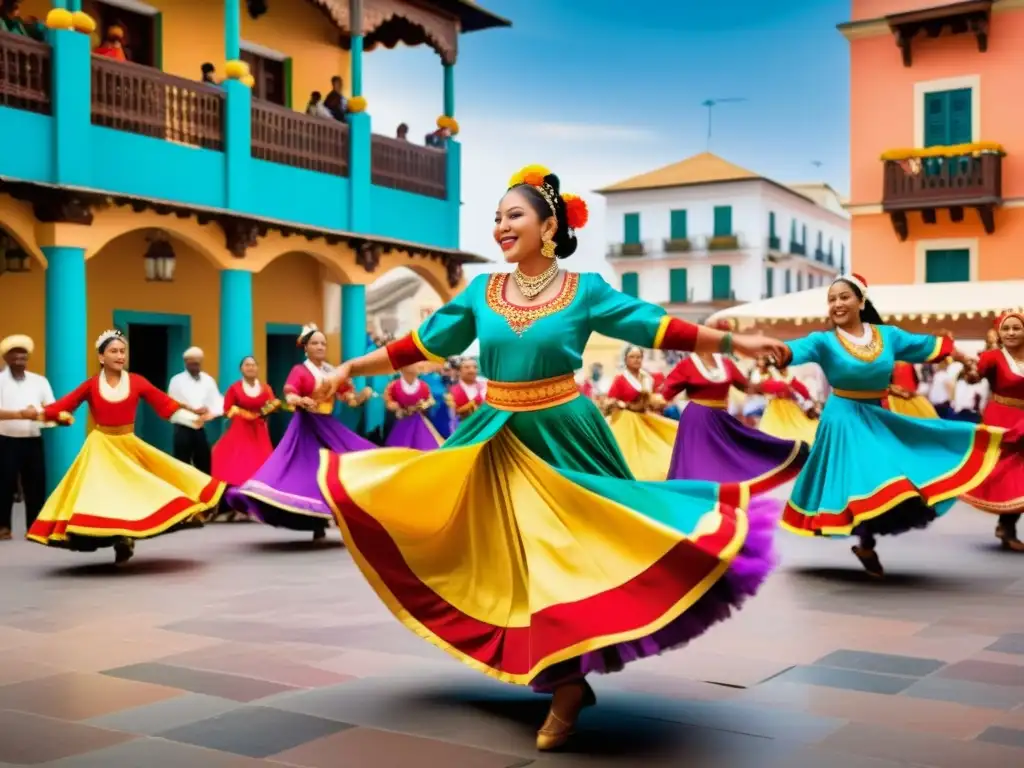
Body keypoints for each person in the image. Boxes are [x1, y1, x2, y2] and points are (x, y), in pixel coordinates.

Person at [316, 164, 788, 752]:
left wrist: (733, 341)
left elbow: (655, 326)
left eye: (513, 216)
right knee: (511, 558)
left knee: (569, 555)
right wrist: (349, 368)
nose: (501, 227)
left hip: (564, 432)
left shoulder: (584, 290)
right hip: (495, 435)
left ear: (548, 225)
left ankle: (566, 685)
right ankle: (564, 677)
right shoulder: (483, 292)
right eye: (495, 218)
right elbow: (421, 344)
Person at [777, 274, 1001, 576]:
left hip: (877, 414)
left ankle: (865, 543)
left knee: (894, 475)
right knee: (867, 478)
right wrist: (775, 351)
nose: (837, 304)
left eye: (844, 297)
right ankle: (865, 541)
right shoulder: (824, 341)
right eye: (832, 299)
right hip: (843, 419)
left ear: (861, 300)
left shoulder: (887, 336)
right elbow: (794, 350)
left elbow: (924, 345)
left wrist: (960, 355)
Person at [25, 330, 223, 565]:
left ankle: (125, 538)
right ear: (101, 357)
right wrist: (38, 413)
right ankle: (117, 538)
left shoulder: (137, 381)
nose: (119, 356)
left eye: (122, 351)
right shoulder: (91, 385)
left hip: (128, 444)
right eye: (113, 351)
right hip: (100, 447)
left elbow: (163, 402)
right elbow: (64, 405)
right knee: (105, 495)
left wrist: (192, 415)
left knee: (132, 492)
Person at [227, 324, 373, 541]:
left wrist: (360, 397)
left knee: (345, 462)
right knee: (308, 471)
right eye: (315, 343)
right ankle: (315, 521)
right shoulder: (299, 371)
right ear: (306, 348)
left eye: (323, 343)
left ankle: (335, 516)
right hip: (307, 425)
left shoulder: (332, 372)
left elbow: (347, 397)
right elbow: (290, 394)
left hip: (327, 425)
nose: (320, 347)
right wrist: (300, 400)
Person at [659, 350, 808, 494]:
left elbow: (746, 387)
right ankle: (697, 497)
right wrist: (650, 400)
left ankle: (720, 493)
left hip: (720, 419)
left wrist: (772, 385)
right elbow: (665, 393)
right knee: (698, 462)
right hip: (696, 421)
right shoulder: (687, 365)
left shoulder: (725, 364)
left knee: (730, 455)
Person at [961, 312, 1024, 551]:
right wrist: (970, 373)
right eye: (1006, 328)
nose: (1010, 333)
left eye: (1016, 328)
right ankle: (1007, 527)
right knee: (1010, 472)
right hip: (1002, 420)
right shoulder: (993, 357)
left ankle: (1006, 525)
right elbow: (975, 377)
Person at [210, 356, 278, 520]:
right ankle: (234, 506)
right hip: (240, 430)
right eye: (247, 365)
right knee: (236, 466)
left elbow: (273, 403)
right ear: (241, 369)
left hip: (259, 431)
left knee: (260, 466)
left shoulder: (265, 388)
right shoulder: (234, 388)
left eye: (253, 365)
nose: (251, 368)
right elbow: (227, 409)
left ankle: (257, 508)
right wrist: (244, 413)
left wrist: (267, 410)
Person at [0, 335, 54, 541]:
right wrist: (21, 414)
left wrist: (38, 413)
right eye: (14, 352)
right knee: (3, 483)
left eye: (22, 352)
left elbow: (50, 407)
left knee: (36, 484)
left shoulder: (40, 381)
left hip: (32, 438)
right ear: (6, 356)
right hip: (6, 439)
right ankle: (3, 527)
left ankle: (35, 527)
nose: (19, 356)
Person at [603, 345, 677, 481]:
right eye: (632, 357)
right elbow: (609, 401)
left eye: (639, 357)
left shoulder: (647, 378)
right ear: (625, 360)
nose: (636, 360)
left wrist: (655, 401)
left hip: (646, 417)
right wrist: (621, 404)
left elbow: (655, 398)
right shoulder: (620, 379)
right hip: (626, 420)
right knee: (629, 453)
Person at [167, 347, 223, 475]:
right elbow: (172, 404)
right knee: (182, 461)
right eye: (191, 364)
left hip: (200, 427)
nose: (194, 367)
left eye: (197, 364)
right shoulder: (176, 381)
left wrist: (209, 414)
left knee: (204, 460)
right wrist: (192, 411)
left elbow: (216, 401)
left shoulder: (207, 380)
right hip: (182, 426)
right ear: (186, 363)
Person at [383, 365, 442, 450]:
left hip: (419, 421)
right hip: (401, 422)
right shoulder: (394, 385)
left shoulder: (423, 386)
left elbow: (431, 400)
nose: (415, 366)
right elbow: (389, 402)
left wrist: (424, 405)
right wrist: (398, 408)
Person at [445, 356, 485, 427]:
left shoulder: (485, 386)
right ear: (459, 371)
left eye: (475, 367)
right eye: (467, 367)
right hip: (464, 429)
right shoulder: (452, 391)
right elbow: (452, 415)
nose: (472, 370)